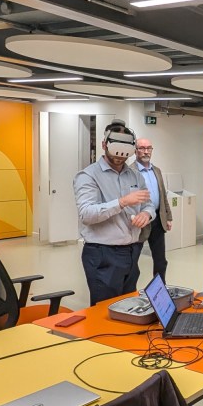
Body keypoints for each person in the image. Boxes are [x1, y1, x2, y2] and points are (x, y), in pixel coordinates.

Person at [73, 121, 156, 306]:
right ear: (104, 145)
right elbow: (86, 214)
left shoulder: (135, 175)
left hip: (132, 250)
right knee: (106, 308)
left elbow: (148, 204)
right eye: (116, 151)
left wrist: (146, 215)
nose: (119, 158)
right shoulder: (88, 176)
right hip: (103, 253)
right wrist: (122, 202)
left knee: (127, 305)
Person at [134, 138, 173, 282]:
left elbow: (163, 196)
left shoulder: (157, 170)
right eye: (142, 148)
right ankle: (129, 291)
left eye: (149, 148)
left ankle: (160, 290)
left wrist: (168, 217)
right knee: (132, 261)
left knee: (160, 261)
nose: (146, 151)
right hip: (138, 221)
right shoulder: (130, 171)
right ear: (135, 150)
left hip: (157, 219)